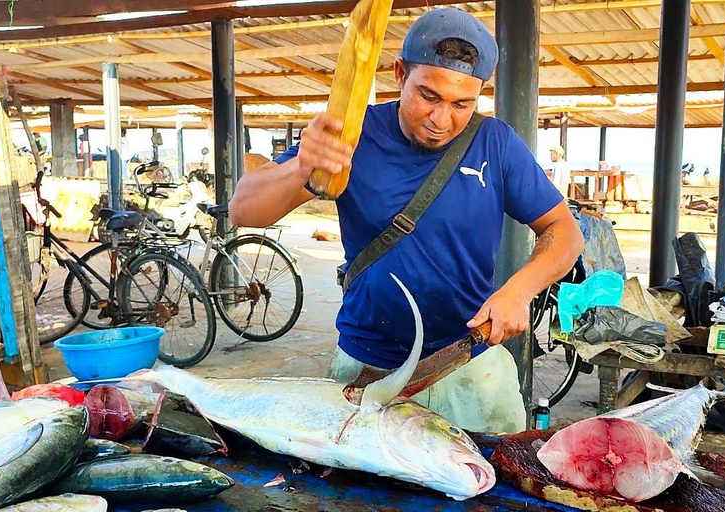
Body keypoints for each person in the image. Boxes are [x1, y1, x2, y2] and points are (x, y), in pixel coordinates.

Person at [229, 8, 584, 434]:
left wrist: (519, 291)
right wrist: (299, 167)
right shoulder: (354, 134)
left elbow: (564, 231)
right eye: (428, 96)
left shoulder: (497, 143)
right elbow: (244, 210)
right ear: (400, 74)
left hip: (469, 365)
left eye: (462, 104)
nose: (441, 120)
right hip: (365, 366)